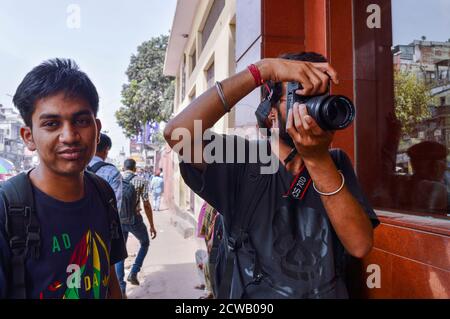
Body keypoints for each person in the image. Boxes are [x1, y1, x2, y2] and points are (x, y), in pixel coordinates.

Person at [164, 52, 379, 298]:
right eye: (299, 97)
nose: (312, 109)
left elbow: (360, 244)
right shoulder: (241, 158)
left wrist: (318, 160)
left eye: (319, 98)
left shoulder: (336, 161)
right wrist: (263, 70)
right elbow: (177, 133)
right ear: (271, 111)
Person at [0, 58, 127, 299]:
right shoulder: (7, 209)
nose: (69, 136)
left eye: (80, 121)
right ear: (28, 137)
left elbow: (109, 278)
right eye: (51, 124)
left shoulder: (103, 193)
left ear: (97, 130)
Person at [115, 158, 157, 296]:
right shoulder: (141, 181)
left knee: (120, 251)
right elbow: (146, 204)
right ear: (134, 168)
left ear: (123, 167)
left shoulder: (116, 180)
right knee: (144, 243)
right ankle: (133, 272)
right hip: (135, 220)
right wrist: (151, 225)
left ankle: (121, 289)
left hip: (119, 220)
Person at [88, 133, 123, 210]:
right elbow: (116, 204)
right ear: (106, 150)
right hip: (100, 219)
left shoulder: (76, 166)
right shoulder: (112, 172)